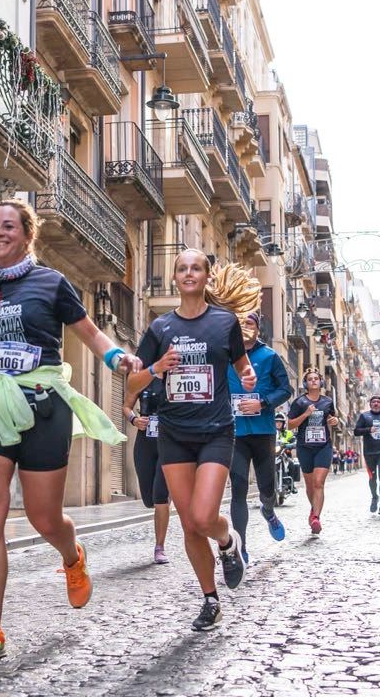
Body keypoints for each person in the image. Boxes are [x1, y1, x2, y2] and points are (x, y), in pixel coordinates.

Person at [0, 198, 141, 666]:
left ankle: (71, 554)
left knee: (46, 518)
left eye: (9, 226)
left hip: (42, 405)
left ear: (27, 235)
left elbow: (88, 332)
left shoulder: (51, 282)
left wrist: (115, 357)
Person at [129, 252, 258, 631]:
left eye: (196, 268)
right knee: (188, 525)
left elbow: (240, 364)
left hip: (216, 431)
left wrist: (248, 376)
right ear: (175, 277)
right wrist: (156, 368)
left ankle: (227, 542)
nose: (189, 273)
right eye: (182, 268)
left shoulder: (224, 323)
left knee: (204, 517)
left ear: (206, 277)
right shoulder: (159, 329)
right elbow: (134, 383)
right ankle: (209, 599)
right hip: (174, 435)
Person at [227, 312, 292, 563]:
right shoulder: (225, 356)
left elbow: (285, 389)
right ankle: (240, 546)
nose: (245, 327)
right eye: (241, 324)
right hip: (235, 433)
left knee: (267, 489)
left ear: (257, 329)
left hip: (264, 431)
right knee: (239, 490)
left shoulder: (270, 356)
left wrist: (263, 403)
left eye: (250, 324)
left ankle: (268, 511)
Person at [286, 368, 339, 534]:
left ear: (321, 382)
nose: (314, 381)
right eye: (310, 379)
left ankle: (316, 517)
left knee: (318, 483)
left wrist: (334, 420)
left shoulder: (328, 402)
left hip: (323, 446)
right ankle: (313, 509)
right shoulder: (299, 403)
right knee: (309, 485)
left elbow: (332, 419)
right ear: (306, 383)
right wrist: (306, 414)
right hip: (305, 447)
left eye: (317, 378)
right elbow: (289, 425)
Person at [126, 380, 171, 564]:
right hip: (145, 442)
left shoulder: (176, 377)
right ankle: (164, 502)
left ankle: (159, 547)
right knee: (149, 499)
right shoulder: (142, 379)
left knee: (160, 495)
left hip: (169, 443)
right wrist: (134, 420)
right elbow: (126, 407)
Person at [354, 396, 380, 515]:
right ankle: (374, 497)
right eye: (374, 402)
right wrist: (368, 429)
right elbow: (356, 431)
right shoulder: (364, 416)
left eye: (378, 402)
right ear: (370, 404)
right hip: (369, 452)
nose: (376, 404)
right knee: (372, 478)